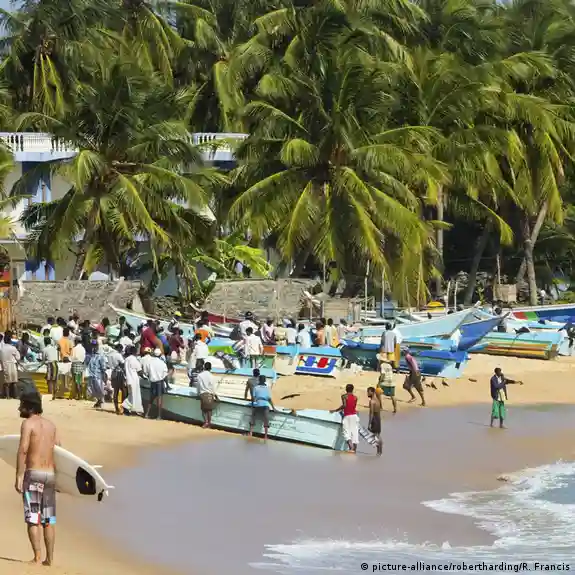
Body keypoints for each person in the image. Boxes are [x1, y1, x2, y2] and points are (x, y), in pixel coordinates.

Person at [16, 392, 60, 566]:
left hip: (33, 474)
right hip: (50, 475)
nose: (19, 408)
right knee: (49, 520)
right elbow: (59, 451)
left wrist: (19, 475)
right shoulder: (51, 425)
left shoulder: (28, 424)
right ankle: (50, 559)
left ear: (30, 407)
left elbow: (23, 450)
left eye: (22, 405)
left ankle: (37, 557)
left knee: (33, 518)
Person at [331, 384, 359, 453]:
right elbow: (353, 407)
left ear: (346, 389)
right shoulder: (355, 398)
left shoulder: (344, 396)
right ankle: (354, 449)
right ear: (352, 389)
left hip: (347, 416)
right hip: (354, 416)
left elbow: (344, 405)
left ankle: (351, 448)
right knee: (354, 432)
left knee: (346, 432)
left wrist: (336, 410)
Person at [144, 348, 168, 420]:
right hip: (160, 382)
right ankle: (159, 416)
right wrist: (167, 385)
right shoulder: (162, 363)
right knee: (159, 399)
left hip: (153, 382)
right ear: (160, 355)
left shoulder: (150, 362)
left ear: (154, 354)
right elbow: (165, 375)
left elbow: (146, 372)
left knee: (151, 399)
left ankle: (146, 414)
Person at [249, 375, 275, 440]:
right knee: (266, 419)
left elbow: (253, 398)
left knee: (253, 417)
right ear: (265, 380)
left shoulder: (256, 387)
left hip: (258, 404)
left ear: (259, 380)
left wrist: (252, 405)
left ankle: (251, 433)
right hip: (265, 405)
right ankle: (265, 436)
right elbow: (269, 399)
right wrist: (273, 408)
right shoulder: (267, 388)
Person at [122, 346, 144, 416]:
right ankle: (126, 406)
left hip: (128, 379)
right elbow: (139, 371)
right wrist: (144, 376)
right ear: (135, 352)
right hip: (134, 379)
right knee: (135, 395)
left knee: (131, 395)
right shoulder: (134, 359)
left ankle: (129, 409)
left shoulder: (126, 359)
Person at [197, 361, 218, 428]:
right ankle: (209, 423)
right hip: (210, 394)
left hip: (203, 394)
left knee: (204, 410)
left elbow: (198, 386)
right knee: (209, 410)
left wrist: (198, 393)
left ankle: (206, 422)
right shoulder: (212, 376)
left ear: (204, 367)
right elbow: (213, 387)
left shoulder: (200, 375)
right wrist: (215, 395)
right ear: (210, 368)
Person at [1, 330, 21, 399]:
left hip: (5, 366)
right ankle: (16, 396)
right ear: (10, 341)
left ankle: (7, 396)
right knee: (14, 382)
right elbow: (18, 357)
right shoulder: (13, 348)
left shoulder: (1, 349)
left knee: (7, 382)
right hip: (12, 365)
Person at [87, 345, 107, 409]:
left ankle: (100, 401)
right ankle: (99, 401)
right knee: (93, 389)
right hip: (91, 375)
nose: (94, 349)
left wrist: (104, 374)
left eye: (95, 348)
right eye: (93, 347)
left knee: (99, 388)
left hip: (98, 375)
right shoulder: (91, 356)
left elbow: (103, 367)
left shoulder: (101, 356)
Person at [108, 344, 126, 414]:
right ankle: (122, 408)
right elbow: (123, 364)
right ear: (119, 348)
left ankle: (116, 408)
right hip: (119, 373)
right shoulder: (118, 355)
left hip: (113, 373)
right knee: (123, 391)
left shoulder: (109, 354)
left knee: (116, 391)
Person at [367, 386, 383, 456]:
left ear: (372, 392)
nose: (367, 394)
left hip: (375, 419)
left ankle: (379, 452)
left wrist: (369, 423)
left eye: (368, 392)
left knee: (376, 436)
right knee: (377, 435)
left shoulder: (372, 401)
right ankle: (379, 452)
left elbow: (371, 413)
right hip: (378, 418)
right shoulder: (377, 400)